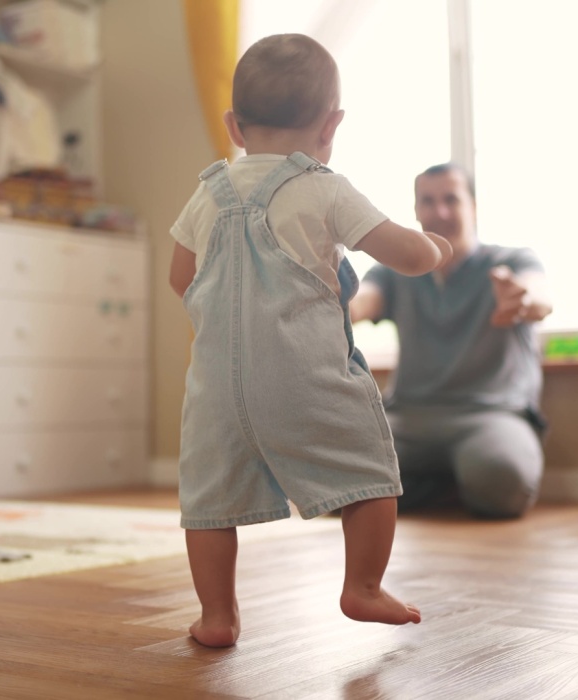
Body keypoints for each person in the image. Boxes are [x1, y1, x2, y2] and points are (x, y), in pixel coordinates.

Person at [169, 33, 452, 648]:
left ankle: (217, 616)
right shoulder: (324, 187)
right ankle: (364, 588)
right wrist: (435, 246)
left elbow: (180, 278)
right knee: (372, 473)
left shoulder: (207, 192)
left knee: (210, 503)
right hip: (304, 377)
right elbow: (405, 256)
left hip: (215, 388)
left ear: (234, 126)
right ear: (332, 124)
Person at [350, 162, 553, 520]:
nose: (439, 211)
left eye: (450, 199)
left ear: (473, 206)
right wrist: (333, 301)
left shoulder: (512, 260)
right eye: (427, 201)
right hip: (408, 418)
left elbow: (539, 298)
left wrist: (521, 300)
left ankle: (430, 486)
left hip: (490, 415)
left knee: (503, 483)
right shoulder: (394, 272)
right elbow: (362, 301)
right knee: (341, 480)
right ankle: (448, 486)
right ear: (416, 210)